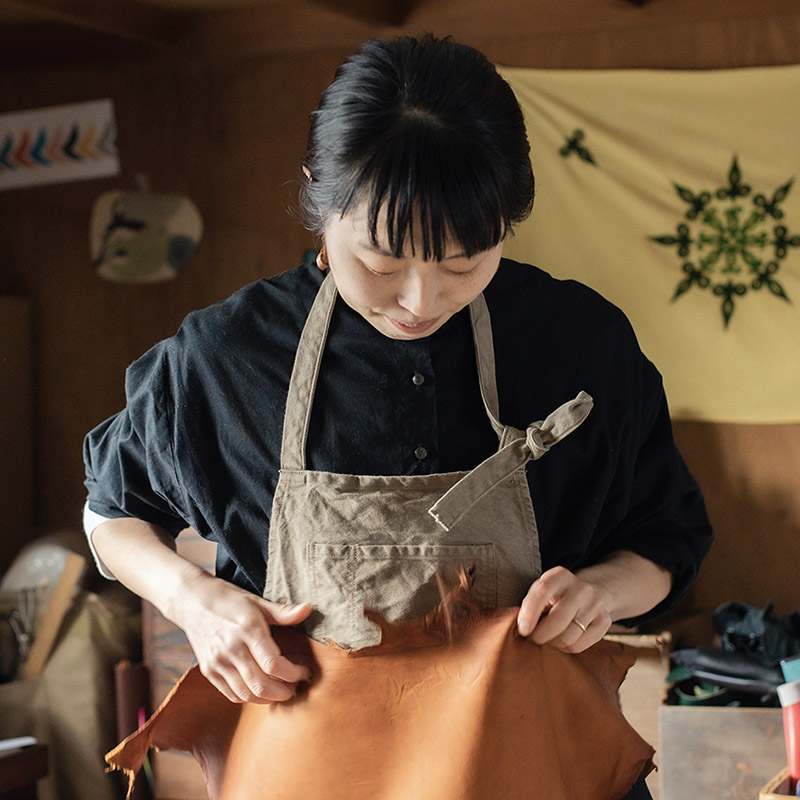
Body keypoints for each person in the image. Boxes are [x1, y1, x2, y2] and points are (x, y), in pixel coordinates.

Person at [83, 34, 712, 799]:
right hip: (309, 772)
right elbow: (110, 513)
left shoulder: (579, 344)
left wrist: (605, 593)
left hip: (536, 770)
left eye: (462, 264)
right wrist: (195, 601)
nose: (420, 303)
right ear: (320, 199)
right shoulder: (224, 359)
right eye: (380, 265)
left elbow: (665, 536)